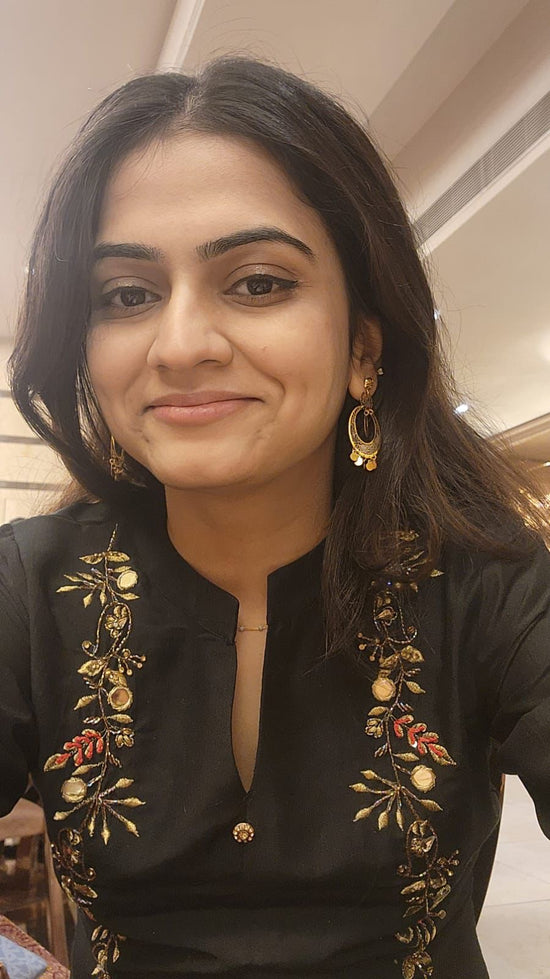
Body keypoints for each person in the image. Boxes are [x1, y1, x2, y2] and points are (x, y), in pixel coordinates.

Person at [1, 55, 549, 979]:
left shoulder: (487, 583)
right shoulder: (28, 587)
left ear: (363, 348)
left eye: (257, 282)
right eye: (127, 295)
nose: (180, 344)